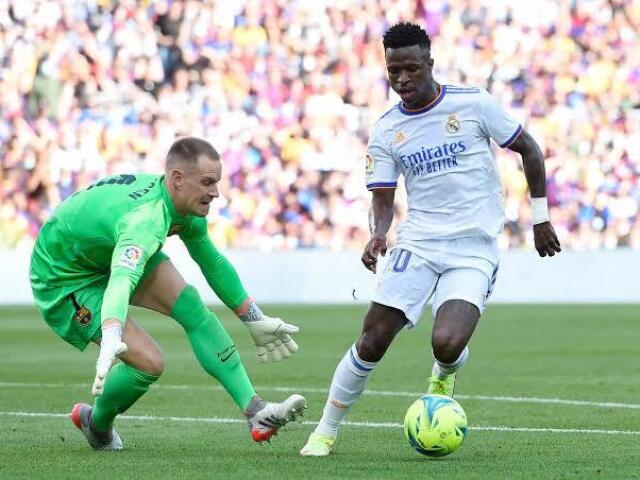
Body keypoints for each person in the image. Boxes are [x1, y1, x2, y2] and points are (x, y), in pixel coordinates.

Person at [300, 22, 561, 457]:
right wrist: (378, 235)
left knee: (448, 342)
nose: (402, 80)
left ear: (430, 64)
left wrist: (540, 218)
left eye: (411, 69)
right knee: (373, 338)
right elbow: (383, 198)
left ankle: (443, 373)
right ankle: (324, 432)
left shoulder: (473, 103)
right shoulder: (386, 130)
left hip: (472, 247)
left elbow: (530, 149)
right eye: (393, 71)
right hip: (419, 244)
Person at [30, 136, 306, 451]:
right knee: (149, 362)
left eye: (216, 182)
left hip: (102, 251)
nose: (215, 192)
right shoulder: (145, 222)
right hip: (63, 276)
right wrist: (111, 332)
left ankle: (255, 412)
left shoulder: (183, 206)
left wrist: (253, 318)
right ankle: (97, 423)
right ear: (177, 179)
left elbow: (211, 262)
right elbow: (122, 279)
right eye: (207, 182)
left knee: (191, 305)